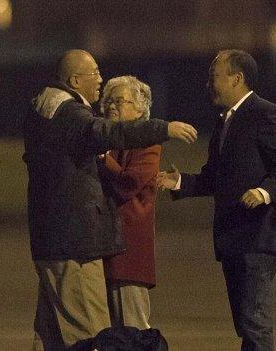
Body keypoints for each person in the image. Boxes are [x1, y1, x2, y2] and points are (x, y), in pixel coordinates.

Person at [24, 49, 197, 350]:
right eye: (95, 73)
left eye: (122, 100)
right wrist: (163, 128)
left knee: (51, 333)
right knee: (94, 337)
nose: (101, 80)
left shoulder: (46, 107)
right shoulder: (72, 114)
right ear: (76, 80)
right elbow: (105, 132)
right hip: (75, 243)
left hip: (62, 240)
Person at [157, 49, 276, 351]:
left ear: (237, 78)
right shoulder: (225, 122)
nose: (207, 84)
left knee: (254, 324)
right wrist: (180, 181)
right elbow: (214, 178)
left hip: (258, 235)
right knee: (246, 323)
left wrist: (263, 192)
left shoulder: (265, 113)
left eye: (213, 77)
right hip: (233, 237)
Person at [98, 76, 161, 329]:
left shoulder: (147, 143)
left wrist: (103, 159)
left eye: (120, 101)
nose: (112, 106)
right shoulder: (105, 139)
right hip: (103, 245)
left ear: (140, 108)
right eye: (108, 101)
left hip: (129, 249)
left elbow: (129, 183)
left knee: (132, 328)